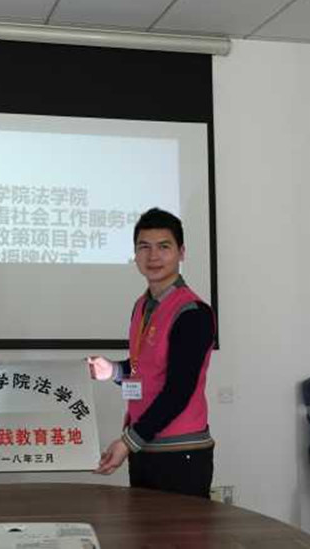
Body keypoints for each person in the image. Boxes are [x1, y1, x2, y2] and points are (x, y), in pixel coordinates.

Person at [87, 207, 216, 497]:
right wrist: (113, 370)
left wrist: (126, 443)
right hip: (144, 446)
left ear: (181, 252)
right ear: (135, 254)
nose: (153, 256)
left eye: (164, 246)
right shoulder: (143, 305)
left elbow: (178, 391)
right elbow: (145, 368)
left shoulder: (192, 312)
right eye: (144, 247)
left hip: (180, 452)